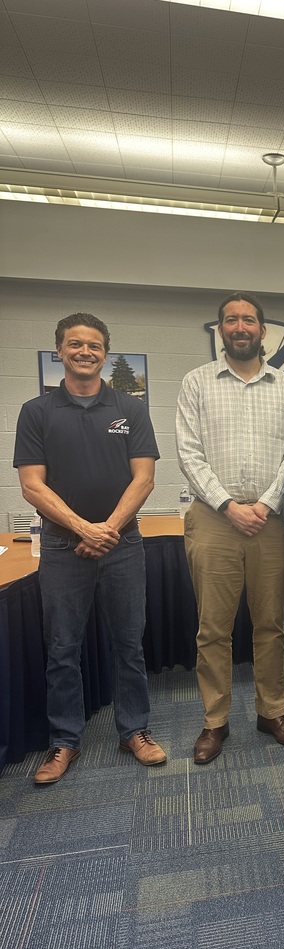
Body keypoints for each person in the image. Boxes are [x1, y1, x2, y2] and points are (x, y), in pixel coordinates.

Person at [13, 312, 166, 784]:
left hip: (123, 545)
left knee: (129, 644)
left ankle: (134, 731)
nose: (84, 352)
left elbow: (144, 477)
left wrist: (108, 530)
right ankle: (64, 741)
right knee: (62, 648)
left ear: (105, 353)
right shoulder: (36, 412)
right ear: (59, 351)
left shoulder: (130, 408)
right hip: (61, 548)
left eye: (94, 345)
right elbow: (31, 486)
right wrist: (85, 529)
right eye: (75, 344)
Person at [176, 293, 284, 764]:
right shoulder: (196, 383)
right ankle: (215, 720)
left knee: (270, 625)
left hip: (273, 524)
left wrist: (266, 504)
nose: (240, 326)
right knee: (213, 627)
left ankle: (272, 712)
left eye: (248, 319)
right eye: (230, 319)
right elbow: (188, 452)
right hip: (213, 519)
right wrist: (229, 505)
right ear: (221, 330)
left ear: (262, 330)